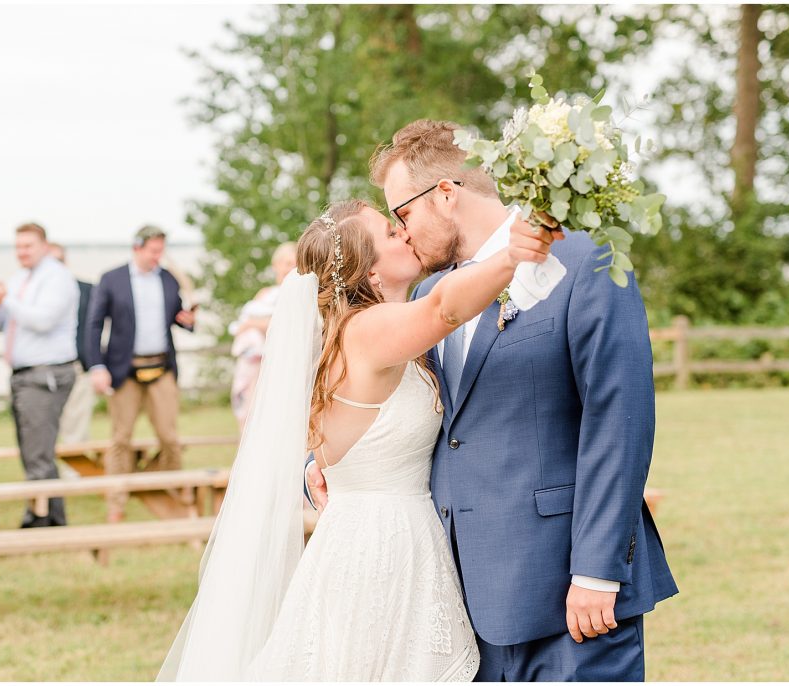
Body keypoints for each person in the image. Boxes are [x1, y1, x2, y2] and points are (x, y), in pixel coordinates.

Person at [308, 119, 679, 682]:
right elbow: (389, 408)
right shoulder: (431, 296)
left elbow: (618, 418)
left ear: (447, 196)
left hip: (568, 594)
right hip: (454, 598)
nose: (402, 234)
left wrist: (599, 571)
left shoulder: (584, 260)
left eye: (403, 214)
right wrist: (324, 463)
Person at [159, 200, 557, 680]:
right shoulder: (367, 331)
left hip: (365, 532)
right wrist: (511, 254)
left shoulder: (350, 334)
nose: (406, 235)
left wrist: (324, 465)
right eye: (392, 233)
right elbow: (444, 307)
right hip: (382, 549)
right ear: (370, 273)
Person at [85, 225, 196, 522]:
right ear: (137, 248)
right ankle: (116, 501)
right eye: (154, 251)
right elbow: (94, 325)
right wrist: (97, 367)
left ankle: (171, 492)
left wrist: (187, 320)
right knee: (121, 438)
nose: (158, 257)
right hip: (123, 370)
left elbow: (178, 315)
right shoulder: (112, 279)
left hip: (162, 368)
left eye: (162, 251)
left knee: (169, 437)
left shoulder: (169, 279)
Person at [0, 223, 79, 528]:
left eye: (28, 246)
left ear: (45, 246)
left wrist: (6, 299)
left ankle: (40, 519)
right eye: (18, 246)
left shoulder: (58, 277)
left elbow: (43, 321)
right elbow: (1, 324)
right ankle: (49, 515)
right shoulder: (21, 278)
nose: (22, 252)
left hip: (46, 374)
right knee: (31, 451)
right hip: (22, 374)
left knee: (39, 453)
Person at [228, 242, 297, 430]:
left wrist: (252, 324)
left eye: (296, 264)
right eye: (287, 263)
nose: (291, 268)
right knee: (248, 418)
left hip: (279, 367)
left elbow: (284, 326)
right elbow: (243, 322)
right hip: (252, 364)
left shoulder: (298, 296)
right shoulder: (265, 294)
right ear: (276, 265)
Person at [48, 242, 95, 445]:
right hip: (42, 372)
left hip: (79, 369)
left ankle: (75, 475)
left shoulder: (88, 290)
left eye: (59, 260)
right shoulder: (28, 294)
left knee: (76, 433)